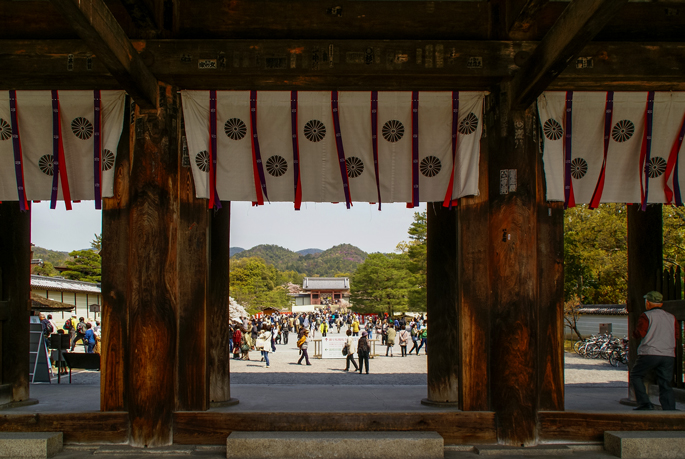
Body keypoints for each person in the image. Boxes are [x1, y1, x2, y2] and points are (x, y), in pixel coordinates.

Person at [631, 291, 677, 411]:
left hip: (650, 352)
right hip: (668, 353)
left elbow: (640, 332)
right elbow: (676, 334)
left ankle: (645, 403)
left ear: (649, 303)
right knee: (665, 382)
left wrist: (634, 334)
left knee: (636, 375)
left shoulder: (646, 316)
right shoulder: (671, 317)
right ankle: (669, 408)